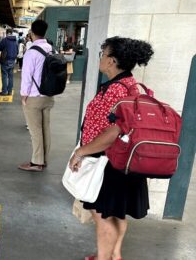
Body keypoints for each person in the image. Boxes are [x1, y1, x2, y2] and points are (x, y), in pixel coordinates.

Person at [68, 36, 154, 260]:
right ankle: (115, 254)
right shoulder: (130, 84)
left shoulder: (115, 90)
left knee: (102, 215)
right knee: (116, 213)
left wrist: (81, 152)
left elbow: (111, 132)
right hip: (124, 160)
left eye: (103, 54)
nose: (101, 58)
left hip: (109, 162)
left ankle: (104, 257)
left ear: (112, 61)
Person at [18, 19, 54, 172]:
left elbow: (27, 76)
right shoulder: (50, 48)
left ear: (32, 33)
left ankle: (36, 163)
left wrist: (23, 95)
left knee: (35, 131)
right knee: (45, 128)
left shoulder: (31, 52)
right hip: (48, 96)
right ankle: (43, 160)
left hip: (34, 97)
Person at [0, 29, 18, 96]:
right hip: (12, 61)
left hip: (5, 61)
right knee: (11, 76)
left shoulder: (5, 40)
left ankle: (4, 91)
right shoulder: (16, 41)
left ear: (6, 33)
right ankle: (10, 91)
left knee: (4, 76)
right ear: (11, 33)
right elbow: (17, 51)